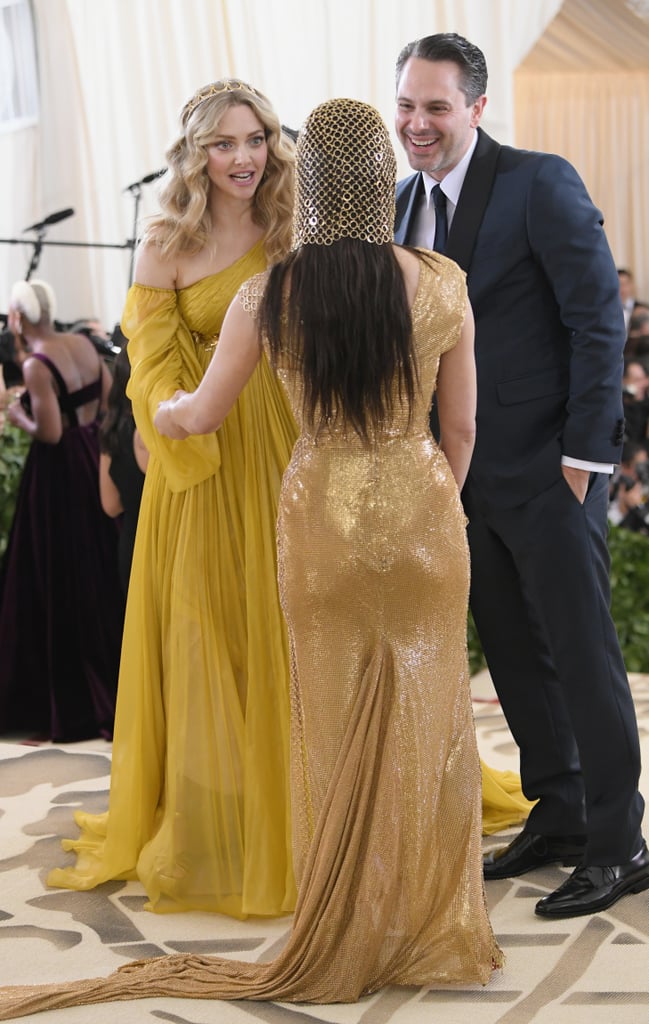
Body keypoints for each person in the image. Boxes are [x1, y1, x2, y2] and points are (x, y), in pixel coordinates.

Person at [0, 96, 502, 1020]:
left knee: (323, 720)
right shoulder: (440, 280)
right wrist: (436, 491)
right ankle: (427, 920)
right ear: (381, 180)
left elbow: (199, 413)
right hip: (425, 512)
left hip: (318, 522)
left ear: (304, 183)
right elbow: (463, 424)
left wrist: (165, 415)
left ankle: (339, 915)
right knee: (431, 722)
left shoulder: (272, 292)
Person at [394, 32, 648, 919]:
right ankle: (561, 811)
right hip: (457, 475)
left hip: (549, 469)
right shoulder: (399, 204)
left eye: (434, 106)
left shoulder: (539, 181)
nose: (416, 124)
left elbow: (597, 321)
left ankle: (620, 841)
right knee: (511, 654)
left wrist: (584, 461)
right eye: (406, 105)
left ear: (475, 107)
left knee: (580, 656)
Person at [46, 79, 298, 917]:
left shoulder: (293, 222)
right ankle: (212, 810)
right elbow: (146, 363)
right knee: (207, 627)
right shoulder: (165, 241)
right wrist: (179, 433)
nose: (242, 158)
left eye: (254, 139)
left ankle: (297, 799)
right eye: (224, 144)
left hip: (289, 445)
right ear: (196, 155)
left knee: (290, 620)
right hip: (203, 455)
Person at [0, 279, 123, 742]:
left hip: (57, 476)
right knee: (98, 561)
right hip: (94, 453)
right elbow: (109, 401)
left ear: (18, 318)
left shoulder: (35, 364)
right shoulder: (84, 344)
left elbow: (49, 432)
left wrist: (17, 417)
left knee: (58, 573)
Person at [98, 343, 149, 593]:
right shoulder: (160, 430)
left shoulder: (111, 431)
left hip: (132, 548)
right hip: (171, 545)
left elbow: (111, 506)